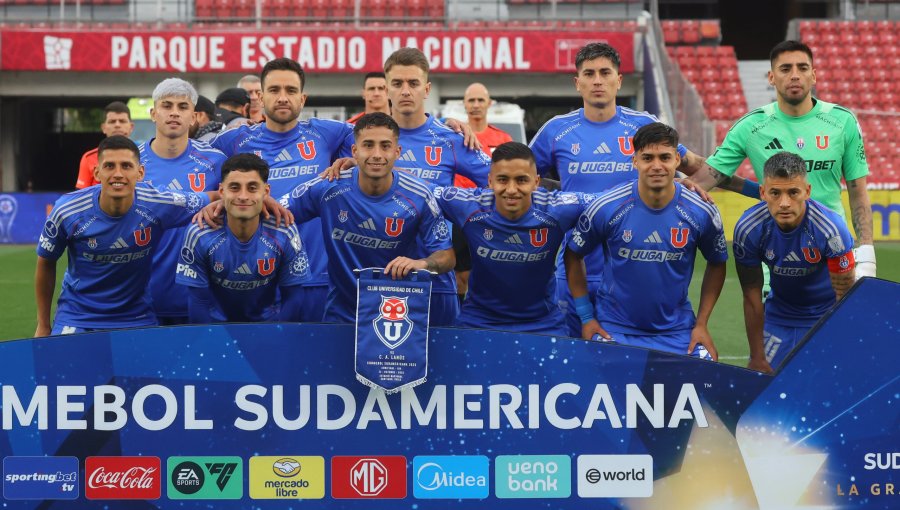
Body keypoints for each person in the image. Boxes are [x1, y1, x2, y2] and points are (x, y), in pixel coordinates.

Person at [528, 42, 745, 338]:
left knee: (621, 365)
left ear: (618, 80)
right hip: (574, 265)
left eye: (605, 73)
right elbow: (523, 179)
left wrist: (755, 190)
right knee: (572, 360)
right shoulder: (556, 130)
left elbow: (693, 165)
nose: (597, 80)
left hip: (628, 271)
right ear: (577, 83)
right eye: (589, 74)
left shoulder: (642, 126)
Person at [690, 40, 875, 280]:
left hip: (835, 250)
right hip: (777, 256)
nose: (795, 76)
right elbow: (705, 179)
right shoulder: (751, 127)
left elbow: (857, 191)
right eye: (786, 69)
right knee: (777, 317)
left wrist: (867, 252)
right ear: (771, 77)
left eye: (803, 68)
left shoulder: (843, 122)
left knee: (840, 317)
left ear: (814, 75)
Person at [563, 123, 728, 359]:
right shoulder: (608, 207)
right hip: (615, 329)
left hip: (678, 331)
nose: (657, 166)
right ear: (635, 161)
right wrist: (587, 317)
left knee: (704, 386)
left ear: (677, 161)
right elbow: (573, 254)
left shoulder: (701, 211)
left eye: (665, 157)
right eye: (648, 158)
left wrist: (701, 324)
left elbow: (717, 262)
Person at [211, 57, 356, 322]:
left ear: (302, 99)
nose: (282, 97)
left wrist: (452, 126)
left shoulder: (329, 134)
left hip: (316, 278)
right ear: (261, 97)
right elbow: (197, 173)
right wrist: (214, 201)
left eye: (290, 91)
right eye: (274, 90)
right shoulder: (232, 141)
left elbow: (381, 137)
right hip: (253, 280)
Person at [279, 112, 455, 324]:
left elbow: (447, 256)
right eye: (368, 145)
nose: (377, 154)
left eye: (385, 146)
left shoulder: (419, 195)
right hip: (341, 315)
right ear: (355, 150)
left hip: (396, 316)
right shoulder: (328, 186)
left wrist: (422, 263)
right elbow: (274, 211)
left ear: (398, 151)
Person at [35, 136, 211, 337]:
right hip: (78, 315)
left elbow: (211, 198)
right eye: (109, 166)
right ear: (97, 172)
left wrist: (217, 205)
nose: (118, 174)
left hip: (136, 316)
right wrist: (43, 324)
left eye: (126, 166)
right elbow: (46, 261)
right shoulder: (68, 210)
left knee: (145, 369)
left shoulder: (158, 203)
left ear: (140, 172)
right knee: (65, 367)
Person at [434, 142, 592, 335]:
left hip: (544, 323)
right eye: (502, 180)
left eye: (521, 180)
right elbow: (416, 190)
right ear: (490, 181)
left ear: (536, 182)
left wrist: (587, 315)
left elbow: (613, 201)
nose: (511, 189)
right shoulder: (468, 205)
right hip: (478, 320)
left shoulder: (558, 209)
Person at [383, 47, 493, 324]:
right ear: (386, 89)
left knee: (443, 363)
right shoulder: (364, 138)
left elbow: (499, 182)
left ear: (427, 89)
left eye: (413, 83)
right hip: (378, 274)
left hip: (436, 275)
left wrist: (461, 211)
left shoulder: (452, 138)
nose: (405, 91)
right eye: (397, 83)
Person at [734, 152, 855, 373]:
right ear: (763, 192)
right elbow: (751, 295)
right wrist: (758, 355)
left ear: (807, 191)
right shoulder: (748, 229)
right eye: (775, 193)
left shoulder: (832, 230)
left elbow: (844, 297)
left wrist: (839, 344)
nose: (784, 203)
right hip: (778, 317)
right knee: (763, 393)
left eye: (793, 192)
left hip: (824, 318)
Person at [177, 153, 310, 323]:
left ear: (266, 191)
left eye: (252, 188)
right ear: (221, 191)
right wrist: (208, 342)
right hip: (218, 331)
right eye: (234, 187)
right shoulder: (200, 232)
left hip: (268, 326)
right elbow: (198, 301)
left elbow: (293, 298)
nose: (243, 196)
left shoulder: (284, 230)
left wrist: (278, 337)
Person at [139, 78, 229, 325]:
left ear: (194, 116)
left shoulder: (216, 161)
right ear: (153, 113)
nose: (174, 113)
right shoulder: (130, 161)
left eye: (183, 106)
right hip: (141, 299)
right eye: (167, 106)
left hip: (201, 297)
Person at [452, 82, 515, 300]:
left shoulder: (503, 139)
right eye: (471, 100)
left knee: (489, 272)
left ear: (489, 103)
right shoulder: (455, 137)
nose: (476, 105)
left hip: (489, 215)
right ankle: (461, 319)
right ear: (464, 104)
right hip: (459, 215)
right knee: (460, 274)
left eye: (480, 100)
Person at [75, 101, 134, 189]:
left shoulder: (143, 155)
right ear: (103, 128)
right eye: (112, 121)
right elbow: (80, 196)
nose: (117, 125)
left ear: (131, 127)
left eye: (122, 121)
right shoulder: (89, 158)